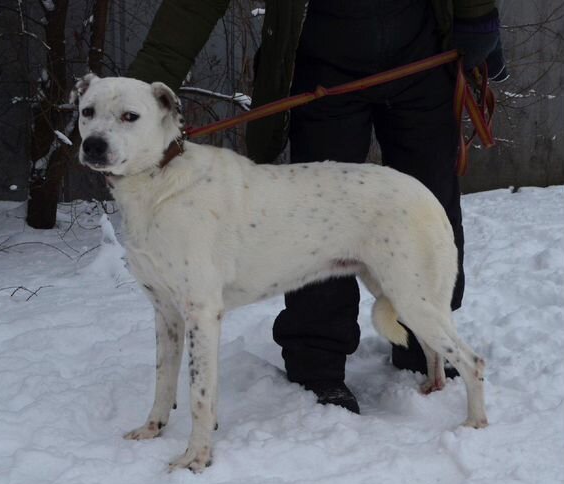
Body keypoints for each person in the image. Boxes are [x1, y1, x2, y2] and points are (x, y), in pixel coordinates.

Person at [128, 0, 507, 414]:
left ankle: (428, 342)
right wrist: (132, 98)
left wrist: (476, 15)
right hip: (322, 63)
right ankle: (317, 364)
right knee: (310, 221)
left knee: (429, 203)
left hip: (421, 55)